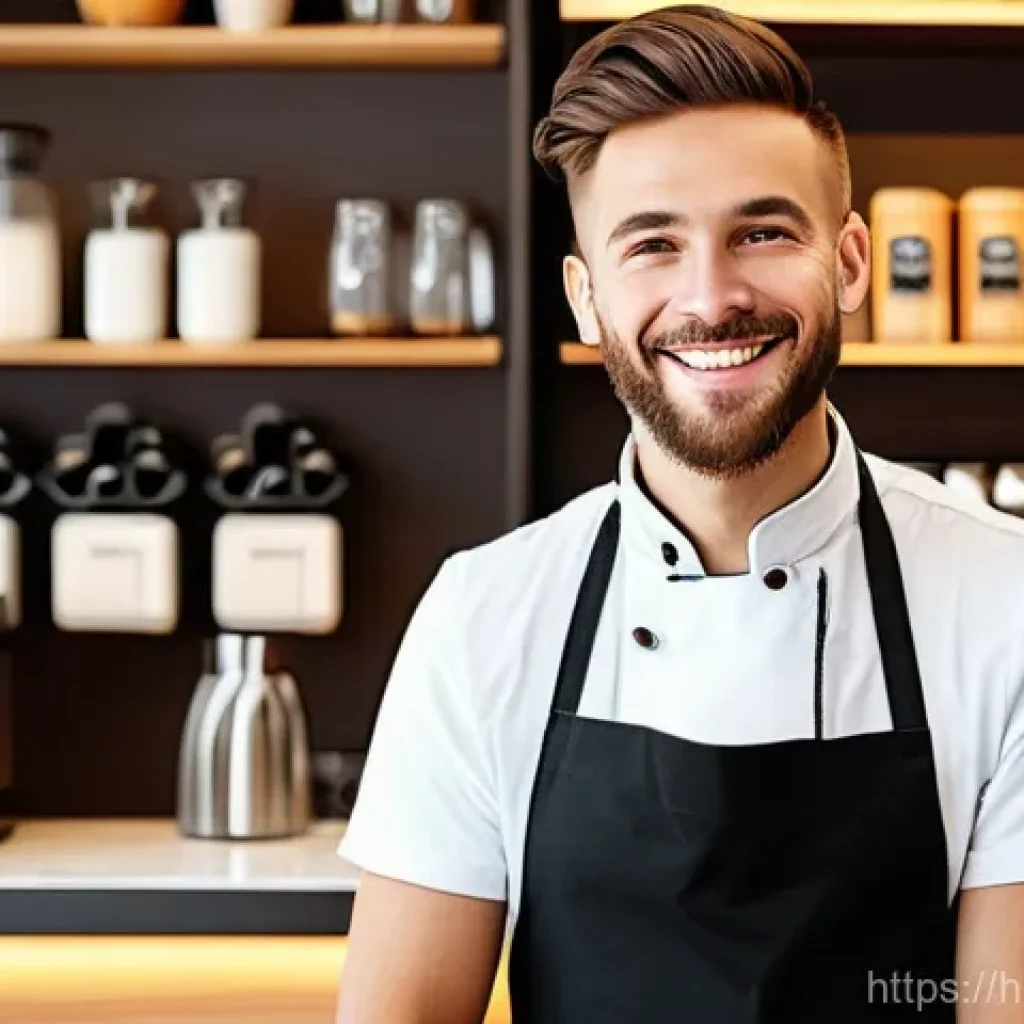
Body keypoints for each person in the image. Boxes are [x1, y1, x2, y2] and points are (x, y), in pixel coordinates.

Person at [336, 6, 1024, 1022]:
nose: (711, 297)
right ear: (585, 300)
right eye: (653, 244)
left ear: (849, 263)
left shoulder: (1006, 601)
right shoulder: (482, 615)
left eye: (762, 232)